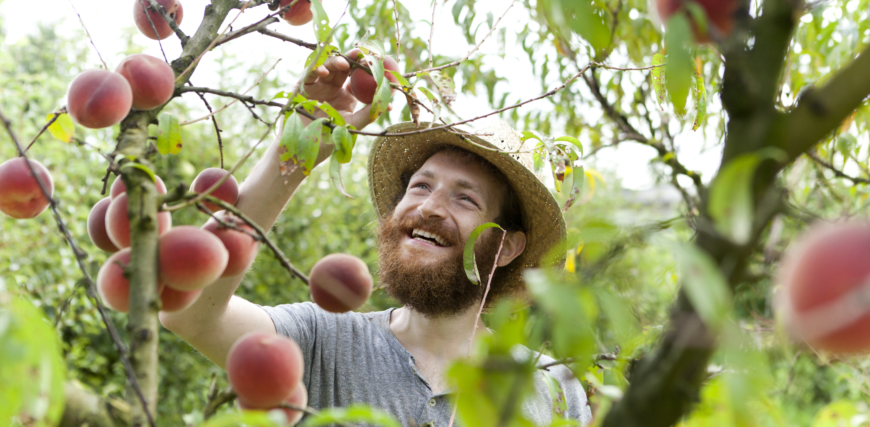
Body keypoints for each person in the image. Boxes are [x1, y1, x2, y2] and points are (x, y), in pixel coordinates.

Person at [159, 55, 593, 426]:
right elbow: (188, 309)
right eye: (421, 186)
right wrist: (293, 153)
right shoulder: (320, 342)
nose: (429, 208)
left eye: (464, 198)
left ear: (506, 246)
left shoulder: (553, 389)